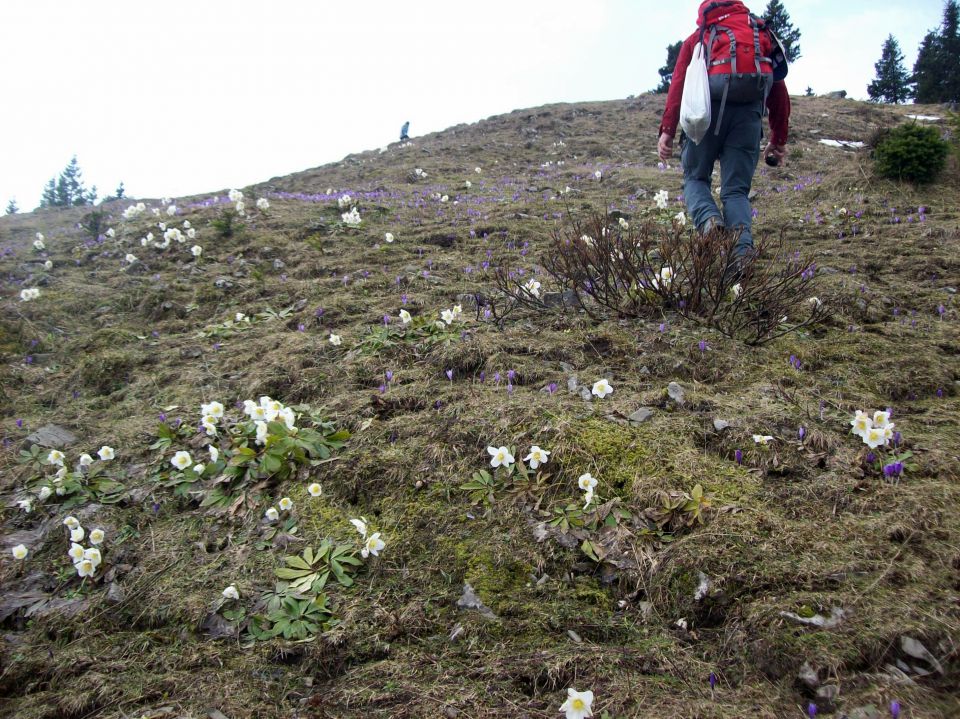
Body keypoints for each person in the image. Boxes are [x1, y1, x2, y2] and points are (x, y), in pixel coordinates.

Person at [657, 0, 790, 264]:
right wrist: (778, 138)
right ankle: (742, 256)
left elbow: (679, 84)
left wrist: (668, 131)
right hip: (748, 118)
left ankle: (709, 221)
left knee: (695, 178)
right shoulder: (759, 33)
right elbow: (778, 90)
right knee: (735, 191)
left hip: (705, 115)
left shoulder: (700, 37)